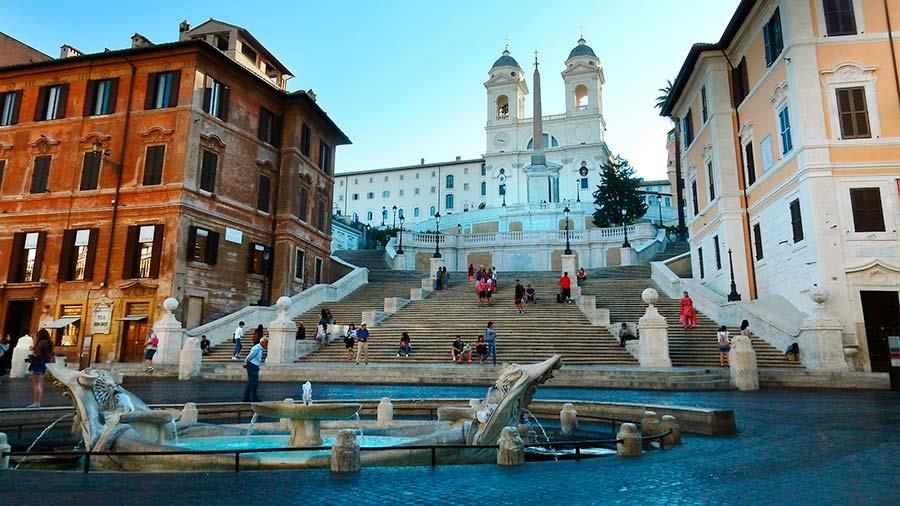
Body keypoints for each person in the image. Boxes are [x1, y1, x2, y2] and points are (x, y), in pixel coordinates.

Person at [27, 329, 53, 408]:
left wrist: (31, 354)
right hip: (44, 364)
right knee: (40, 384)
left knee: (36, 384)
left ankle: (36, 402)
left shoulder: (42, 342)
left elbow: (36, 354)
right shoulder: (49, 342)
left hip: (38, 363)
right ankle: (37, 402)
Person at [243, 337, 267, 402]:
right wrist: (245, 364)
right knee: (254, 383)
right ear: (263, 342)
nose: (267, 345)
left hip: (254, 365)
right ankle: (253, 398)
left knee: (252, 383)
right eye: (266, 343)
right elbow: (249, 357)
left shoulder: (259, 348)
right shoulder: (256, 348)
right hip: (252, 366)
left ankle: (247, 398)